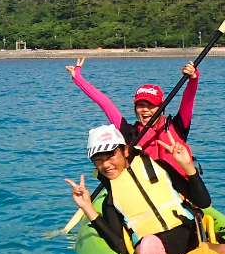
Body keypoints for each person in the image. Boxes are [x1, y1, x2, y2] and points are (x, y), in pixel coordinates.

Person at [65, 123, 225, 254]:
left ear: (124, 151)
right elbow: (118, 245)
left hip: (190, 236)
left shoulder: (160, 168)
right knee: (148, 250)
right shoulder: (110, 199)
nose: (106, 165)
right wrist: (88, 208)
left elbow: (203, 202)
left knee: (220, 250)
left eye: (111, 157)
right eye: (98, 160)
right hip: (155, 245)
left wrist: (187, 166)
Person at [68, 57, 200, 174]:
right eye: (140, 105)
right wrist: (78, 78)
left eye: (151, 105)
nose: (145, 110)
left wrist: (193, 78)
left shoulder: (177, 125)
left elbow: (189, 99)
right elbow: (105, 103)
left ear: (162, 108)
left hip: (179, 192)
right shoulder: (128, 132)